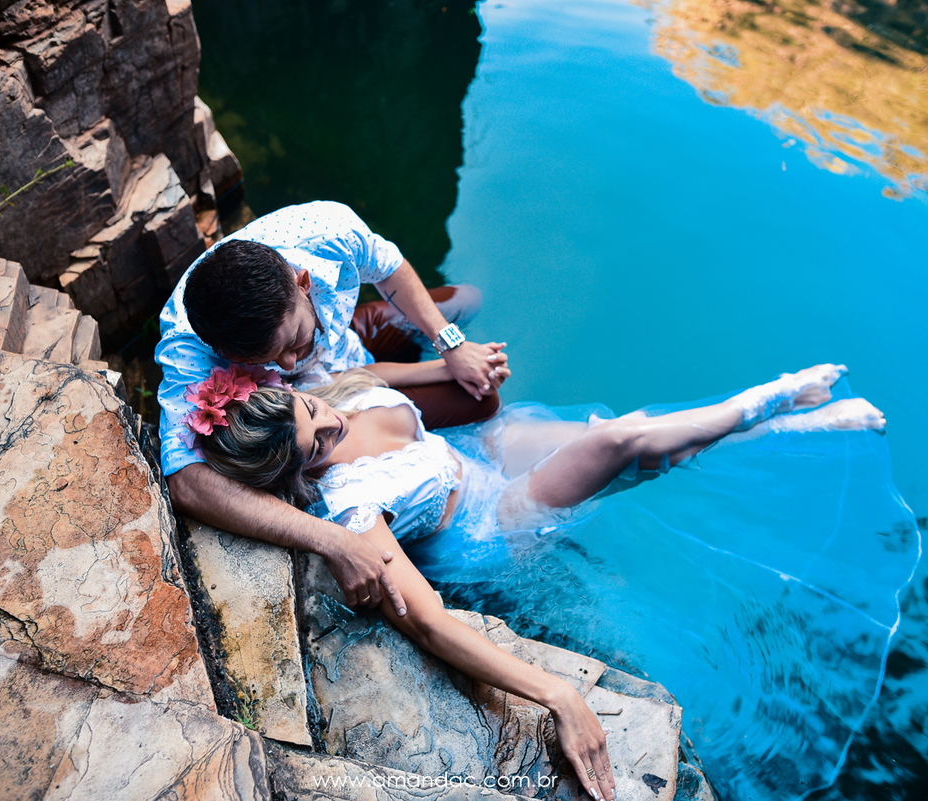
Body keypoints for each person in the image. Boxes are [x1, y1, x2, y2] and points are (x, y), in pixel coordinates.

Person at [182, 361, 886, 800]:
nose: (333, 423)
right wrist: (558, 693)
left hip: (474, 453)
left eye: (316, 413)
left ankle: (794, 428)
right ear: (298, 474)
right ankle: (776, 399)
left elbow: (379, 383)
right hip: (493, 523)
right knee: (618, 442)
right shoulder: (352, 508)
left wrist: (453, 355)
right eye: (319, 444)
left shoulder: (322, 387)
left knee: (644, 438)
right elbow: (427, 623)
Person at [156, 201, 510, 619]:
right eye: (266, 360)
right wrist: (332, 539)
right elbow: (186, 482)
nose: (288, 364)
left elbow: (388, 265)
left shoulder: (329, 232)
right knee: (482, 402)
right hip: (319, 401)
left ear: (303, 282)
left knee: (470, 308)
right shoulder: (188, 345)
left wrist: (450, 345)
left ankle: (384, 330)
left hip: (349, 353)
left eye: (293, 342)